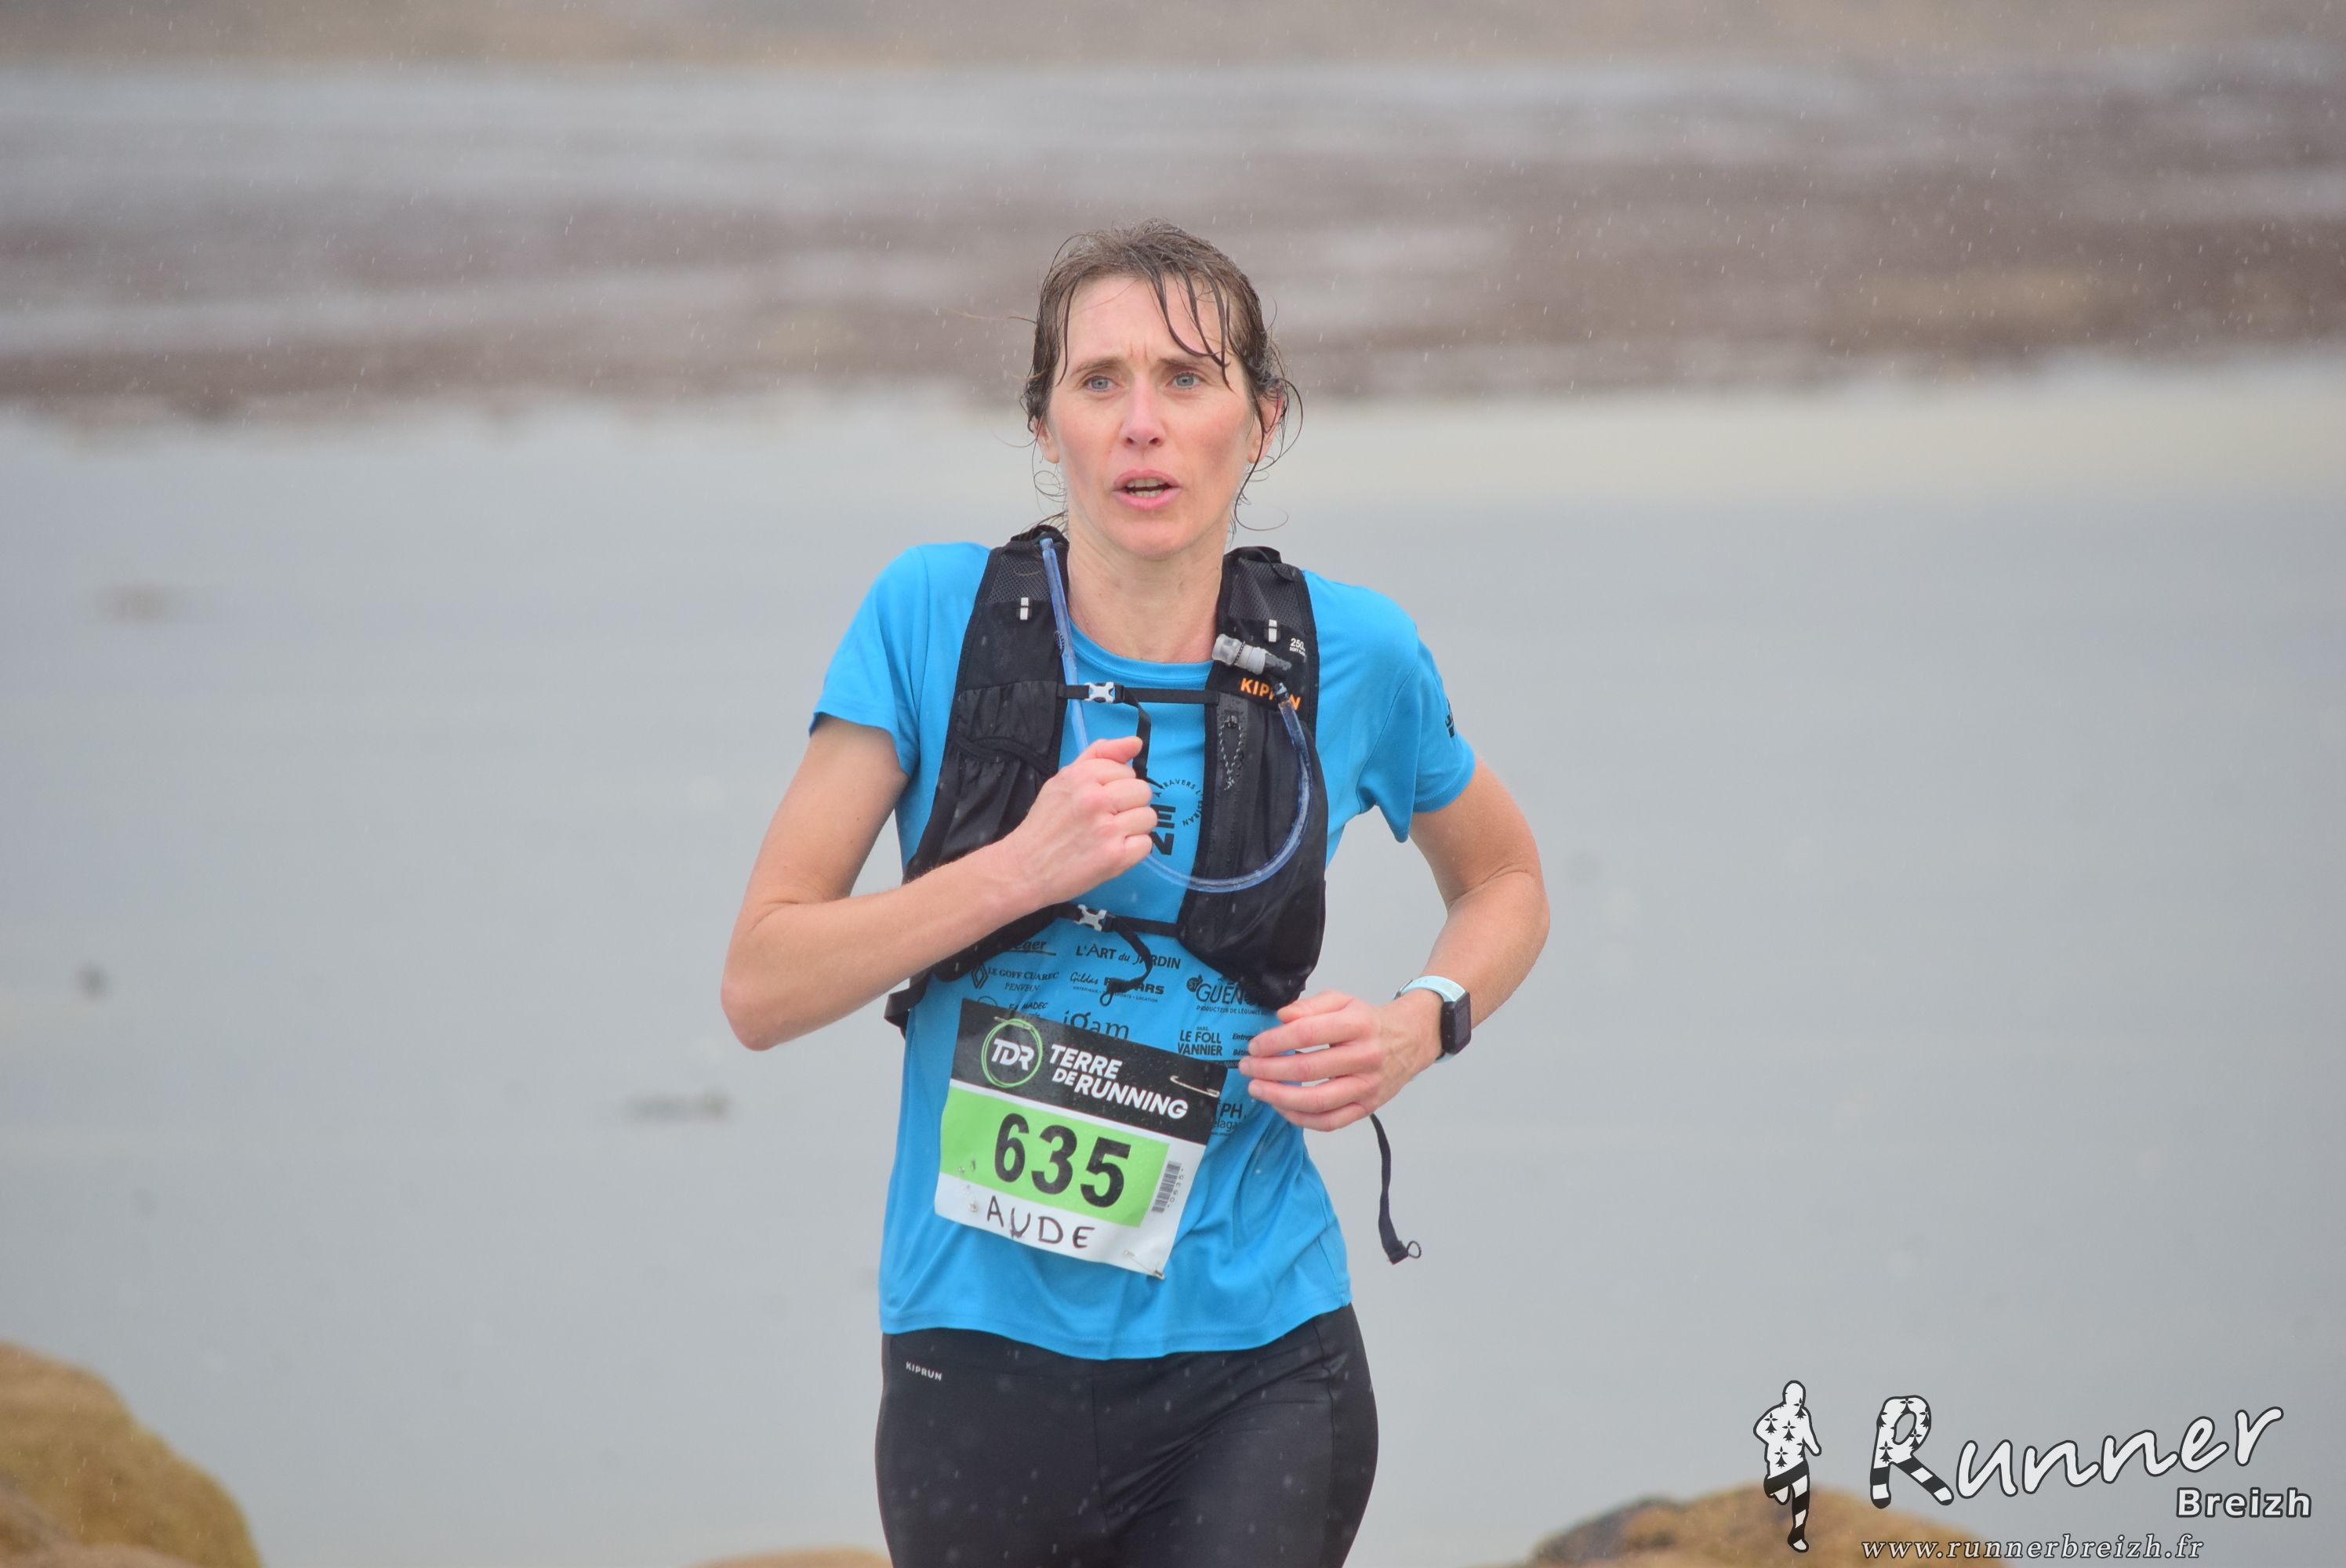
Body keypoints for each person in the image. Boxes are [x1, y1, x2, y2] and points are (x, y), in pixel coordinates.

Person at [721, 220, 1548, 1568]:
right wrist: (1019, 868)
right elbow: (762, 983)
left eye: (1186, 379)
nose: (1141, 424)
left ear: (1261, 421)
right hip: (970, 1365)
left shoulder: (1354, 652)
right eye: (1098, 381)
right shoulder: (928, 618)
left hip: (1260, 1362)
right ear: (1044, 424)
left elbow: (1506, 878)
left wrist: (1420, 1023)